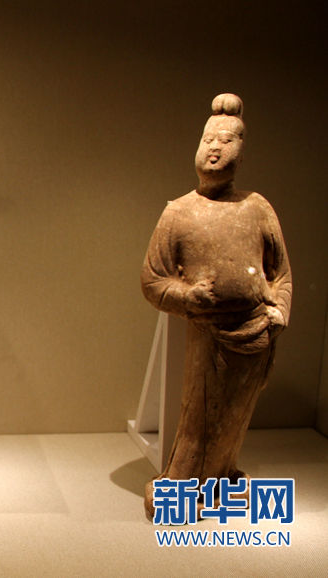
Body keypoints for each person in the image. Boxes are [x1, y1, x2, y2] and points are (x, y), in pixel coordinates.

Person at [140, 93, 292, 517]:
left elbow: (280, 273)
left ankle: (223, 478)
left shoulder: (257, 207)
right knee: (201, 417)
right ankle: (181, 487)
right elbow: (152, 280)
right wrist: (188, 297)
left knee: (235, 418)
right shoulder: (179, 212)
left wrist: (279, 310)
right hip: (209, 334)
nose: (215, 149)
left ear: (241, 154)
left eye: (227, 141)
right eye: (209, 139)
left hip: (257, 331)